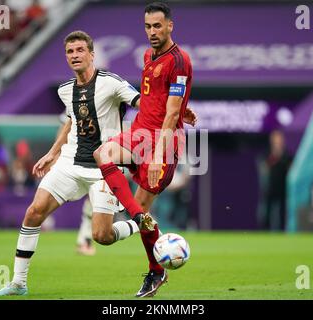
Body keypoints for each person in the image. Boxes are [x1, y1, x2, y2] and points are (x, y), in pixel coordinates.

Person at [0, 30, 197, 297]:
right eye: (70, 52)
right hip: (70, 163)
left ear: (91, 54)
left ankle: (141, 221)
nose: (75, 56)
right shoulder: (65, 90)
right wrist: (53, 153)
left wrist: (177, 110)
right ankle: (18, 282)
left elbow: (145, 104)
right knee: (33, 212)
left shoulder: (111, 82)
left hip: (104, 171)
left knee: (102, 236)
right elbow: (70, 120)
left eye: (79, 51)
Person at [94, 2, 195, 298]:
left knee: (141, 206)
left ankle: (156, 270)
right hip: (138, 132)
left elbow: (172, 111)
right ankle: (138, 218)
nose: (152, 32)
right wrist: (184, 109)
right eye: (148, 26)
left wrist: (158, 156)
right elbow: (162, 99)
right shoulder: (149, 55)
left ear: (170, 26)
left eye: (157, 26)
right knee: (103, 154)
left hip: (161, 143)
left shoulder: (180, 61)